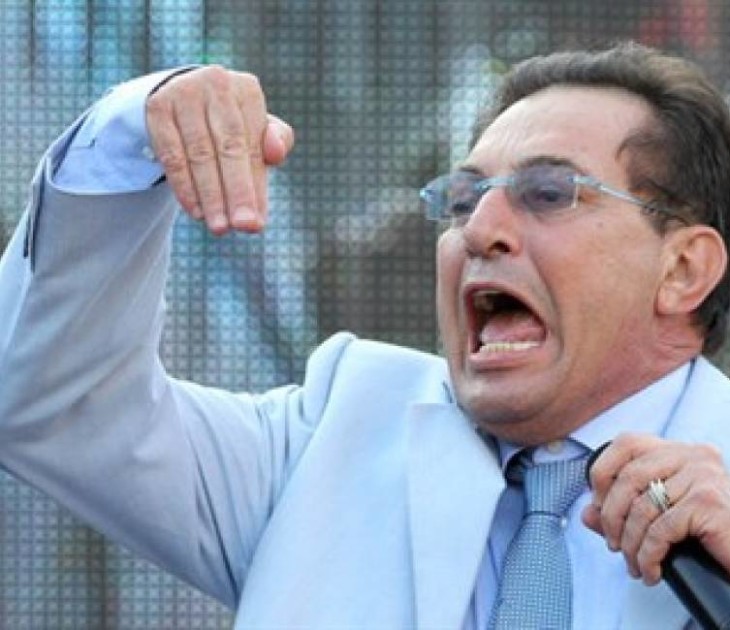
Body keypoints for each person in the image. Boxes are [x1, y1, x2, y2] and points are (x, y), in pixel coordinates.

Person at [2, 41, 730, 629]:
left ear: (683, 270)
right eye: (462, 200)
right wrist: (132, 132)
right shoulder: (332, 431)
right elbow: (48, 400)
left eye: (548, 193)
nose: (478, 229)